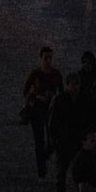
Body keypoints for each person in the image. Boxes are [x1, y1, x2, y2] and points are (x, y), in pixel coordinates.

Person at [23, 46, 64, 180]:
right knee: (39, 140)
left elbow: (61, 92)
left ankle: (44, 157)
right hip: (38, 109)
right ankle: (41, 171)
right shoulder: (35, 73)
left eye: (50, 58)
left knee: (53, 139)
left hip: (52, 109)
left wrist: (54, 98)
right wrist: (36, 97)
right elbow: (26, 91)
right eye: (46, 58)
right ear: (41, 58)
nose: (48, 61)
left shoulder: (56, 74)